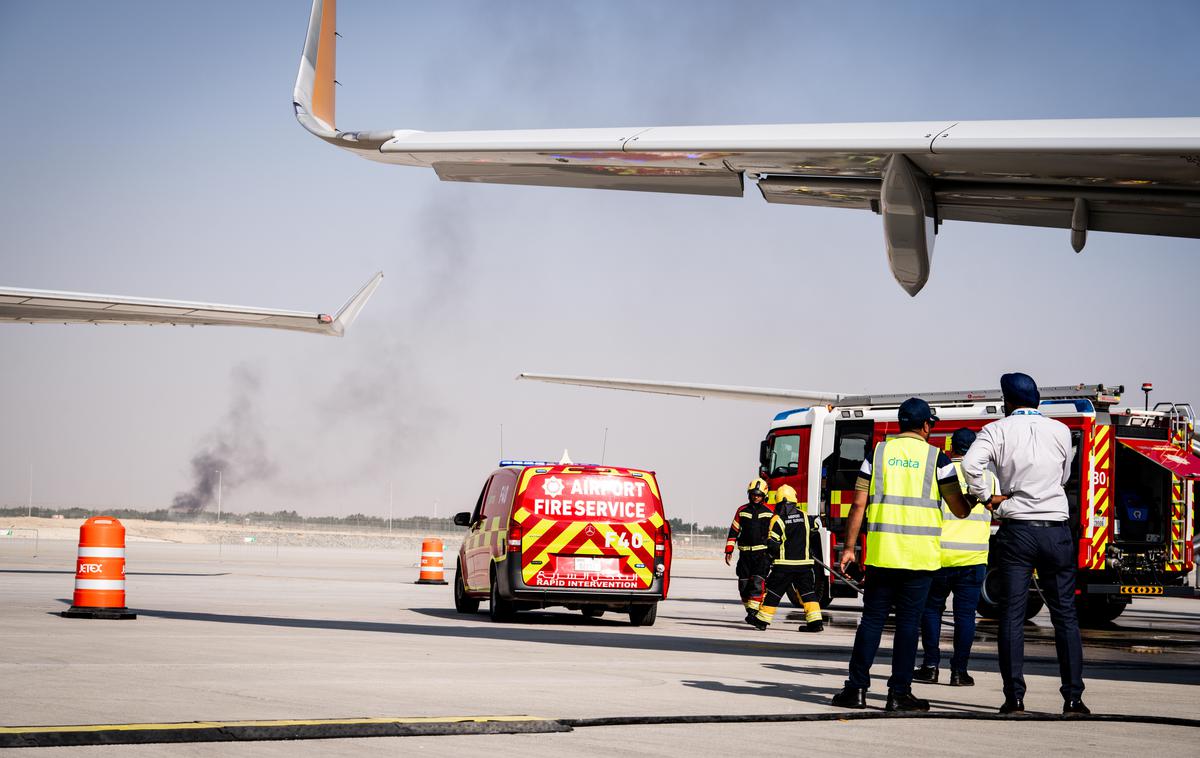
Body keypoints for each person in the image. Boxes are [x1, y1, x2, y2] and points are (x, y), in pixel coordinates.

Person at [830, 397, 973, 711]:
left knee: (872, 622)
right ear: (925, 426)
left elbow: (857, 505)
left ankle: (856, 689)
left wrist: (850, 549)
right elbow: (958, 509)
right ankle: (898, 694)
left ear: (899, 424)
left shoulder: (878, 454)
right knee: (909, 626)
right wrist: (973, 501)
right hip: (920, 560)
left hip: (883, 557)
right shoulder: (938, 459)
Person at [961, 372, 1088, 715]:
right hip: (1056, 529)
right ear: (1038, 401)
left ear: (1007, 402)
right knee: (1065, 616)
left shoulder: (997, 430)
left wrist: (988, 497)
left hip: (1018, 529)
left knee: (1012, 616)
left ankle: (1014, 698)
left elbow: (972, 465)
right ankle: (1073, 699)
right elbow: (1063, 476)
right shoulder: (1061, 431)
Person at [913, 428, 999, 687]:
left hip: (939, 555)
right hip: (973, 557)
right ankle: (959, 672)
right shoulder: (990, 479)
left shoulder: (941, 472)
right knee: (965, 616)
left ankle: (930, 666)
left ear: (951, 448)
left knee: (931, 611)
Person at [746, 484, 823, 632]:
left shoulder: (778, 520)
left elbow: (773, 544)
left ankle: (762, 620)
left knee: (774, 591)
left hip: (784, 565)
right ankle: (815, 623)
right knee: (808, 592)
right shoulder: (807, 517)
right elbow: (815, 532)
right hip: (805, 565)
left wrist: (768, 557)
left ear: (779, 501)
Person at [725, 478, 774, 614]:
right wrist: (729, 549)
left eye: (758, 495)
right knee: (743, 586)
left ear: (764, 495)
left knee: (758, 583)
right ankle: (750, 610)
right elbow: (734, 530)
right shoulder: (741, 510)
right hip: (745, 555)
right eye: (753, 494)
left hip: (762, 554)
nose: (756, 497)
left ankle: (754, 612)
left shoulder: (770, 511)